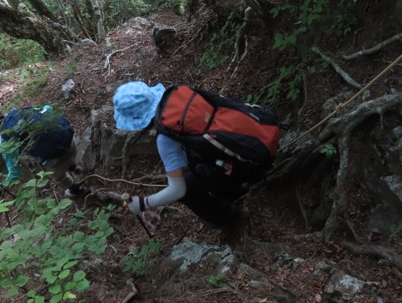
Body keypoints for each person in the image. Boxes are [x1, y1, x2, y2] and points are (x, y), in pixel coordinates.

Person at [112, 81, 280, 233]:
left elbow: (177, 191)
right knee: (197, 167)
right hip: (261, 139)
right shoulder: (182, 96)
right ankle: (235, 193)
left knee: (187, 187)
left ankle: (232, 219)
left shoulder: (165, 139)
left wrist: (142, 204)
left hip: (250, 165)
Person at [0, 105, 76, 193]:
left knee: (60, 178)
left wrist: (1, 186)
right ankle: (77, 168)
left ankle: (77, 191)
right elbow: (47, 108)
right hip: (71, 140)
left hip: (56, 160)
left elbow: (14, 173)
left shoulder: (4, 142)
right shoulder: (19, 112)